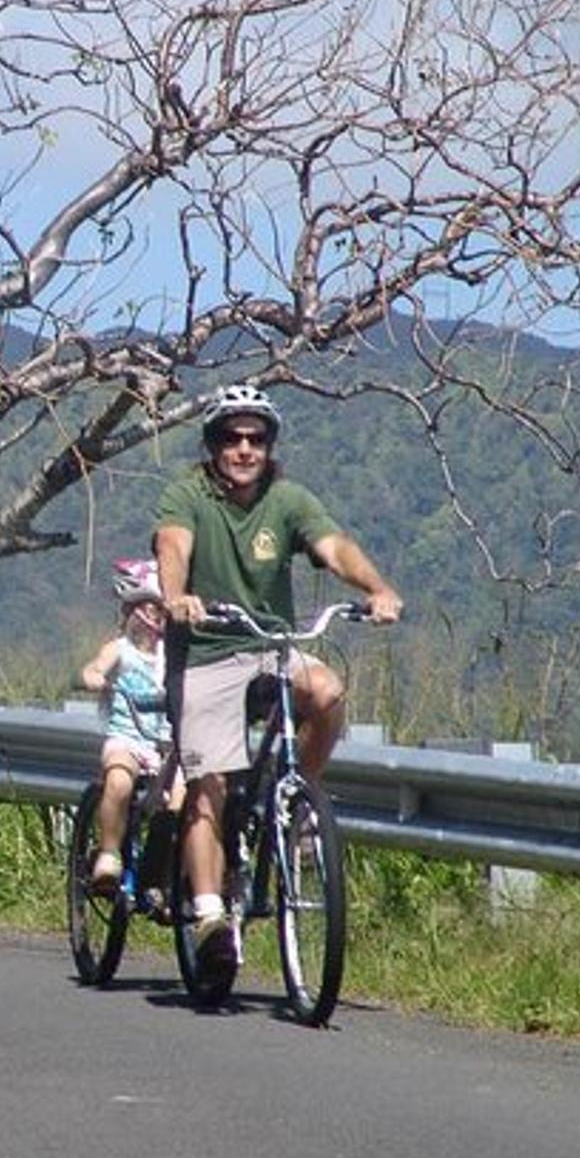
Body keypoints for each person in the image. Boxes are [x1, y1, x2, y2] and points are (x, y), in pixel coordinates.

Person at [155, 383, 403, 985]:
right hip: (208, 654)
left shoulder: (287, 499)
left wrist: (376, 589)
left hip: (270, 648)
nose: (245, 449)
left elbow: (334, 546)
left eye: (257, 439)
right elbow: (173, 546)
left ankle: (293, 802)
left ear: (270, 446)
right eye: (233, 438)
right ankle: (210, 917)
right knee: (209, 783)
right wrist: (177, 596)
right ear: (213, 445)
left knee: (326, 690)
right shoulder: (187, 495)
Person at [76, 558, 183, 900]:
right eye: (146, 608)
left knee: (181, 800)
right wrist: (95, 678)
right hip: (127, 736)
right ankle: (109, 853)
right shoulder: (120, 649)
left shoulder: (174, 657)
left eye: (159, 609)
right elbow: (94, 668)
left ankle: (164, 875)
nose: (153, 617)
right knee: (119, 779)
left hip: (167, 745)